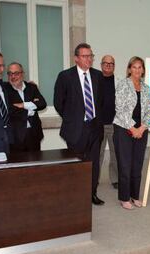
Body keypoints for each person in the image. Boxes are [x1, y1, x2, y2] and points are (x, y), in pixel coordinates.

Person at [54, 43, 105, 205]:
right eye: (85, 56)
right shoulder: (65, 76)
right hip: (76, 128)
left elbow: (101, 101)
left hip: (95, 127)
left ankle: (92, 193)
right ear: (76, 58)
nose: (89, 59)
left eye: (91, 56)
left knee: (94, 163)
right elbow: (58, 102)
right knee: (76, 163)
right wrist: (72, 119)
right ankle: (76, 195)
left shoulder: (98, 76)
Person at [113, 56, 150, 209]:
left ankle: (135, 196)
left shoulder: (146, 88)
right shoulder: (123, 85)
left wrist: (142, 128)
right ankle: (124, 198)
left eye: (140, 67)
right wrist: (132, 128)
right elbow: (120, 109)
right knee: (125, 164)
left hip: (141, 130)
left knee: (137, 164)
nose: (137, 70)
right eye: (134, 67)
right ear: (129, 69)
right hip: (124, 128)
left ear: (143, 70)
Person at [5, 62, 47, 152]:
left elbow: (42, 103)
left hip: (34, 133)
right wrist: (31, 109)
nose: (13, 77)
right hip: (15, 136)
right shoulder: (4, 89)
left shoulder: (31, 87)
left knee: (36, 163)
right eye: (10, 73)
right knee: (18, 164)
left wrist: (24, 105)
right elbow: (10, 110)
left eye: (16, 73)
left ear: (22, 74)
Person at [99, 55, 119, 189]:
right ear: (101, 65)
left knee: (116, 154)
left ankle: (115, 179)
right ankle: (94, 179)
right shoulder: (95, 80)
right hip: (98, 125)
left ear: (114, 66)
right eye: (106, 63)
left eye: (111, 63)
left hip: (114, 123)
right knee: (97, 154)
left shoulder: (119, 82)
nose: (108, 65)